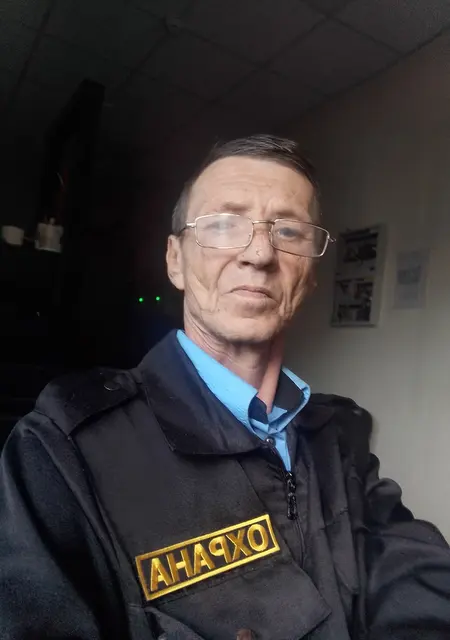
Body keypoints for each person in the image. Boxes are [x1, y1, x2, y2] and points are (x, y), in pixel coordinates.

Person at [1, 135, 449, 640]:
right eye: (223, 224)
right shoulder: (63, 449)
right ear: (175, 260)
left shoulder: (339, 433)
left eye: (288, 230)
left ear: (310, 275)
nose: (259, 253)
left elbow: (414, 575)